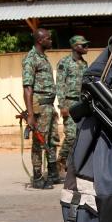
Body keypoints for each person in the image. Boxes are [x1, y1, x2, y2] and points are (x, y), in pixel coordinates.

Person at [22, 27, 61, 189]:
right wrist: (30, 114)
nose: (51, 41)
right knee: (39, 141)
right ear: (40, 40)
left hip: (49, 106)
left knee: (51, 140)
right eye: (48, 38)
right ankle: (38, 177)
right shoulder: (31, 58)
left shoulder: (43, 57)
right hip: (40, 107)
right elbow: (27, 88)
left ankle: (52, 173)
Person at [56, 34, 90, 177]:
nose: (86, 47)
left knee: (79, 135)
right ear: (75, 47)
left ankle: (72, 165)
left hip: (81, 103)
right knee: (70, 135)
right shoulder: (64, 62)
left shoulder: (84, 64)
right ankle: (60, 161)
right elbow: (60, 84)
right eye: (83, 45)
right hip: (69, 102)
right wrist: (62, 105)